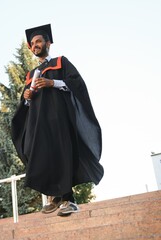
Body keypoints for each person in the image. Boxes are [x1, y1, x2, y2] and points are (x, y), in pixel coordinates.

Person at [11, 24, 103, 217]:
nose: (35, 45)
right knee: (38, 153)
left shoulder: (61, 62)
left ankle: (67, 199)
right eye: (32, 44)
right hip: (38, 124)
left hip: (59, 119)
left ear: (48, 43)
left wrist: (53, 83)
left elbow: (77, 84)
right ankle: (55, 196)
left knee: (62, 153)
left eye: (38, 41)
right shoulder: (31, 75)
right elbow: (25, 105)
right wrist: (26, 96)